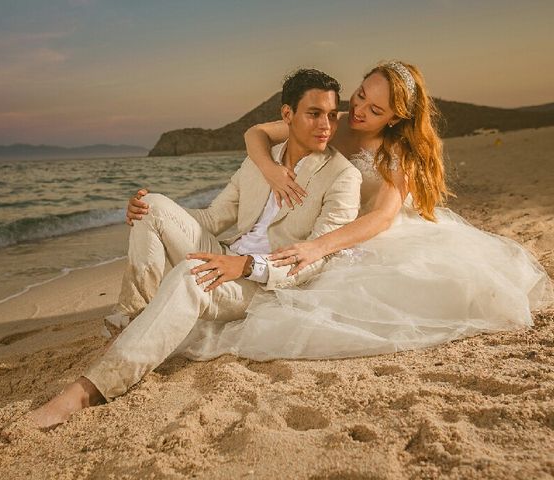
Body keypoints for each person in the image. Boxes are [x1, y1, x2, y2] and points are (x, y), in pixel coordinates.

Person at [28, 69, 363, 428]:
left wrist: (248, 265)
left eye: (331, 114)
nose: (326, 124)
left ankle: (91, 389)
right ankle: (131, 322)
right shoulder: (260, 162)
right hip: (227, 252)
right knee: (152, 206)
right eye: (314, 113)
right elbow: (212, 217)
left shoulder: (343, 176)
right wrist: (156, 213)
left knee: (193, 274)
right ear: (287, 115)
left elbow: (316, 256)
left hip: (263, 283)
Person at [170, 61, 553, 362]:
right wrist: (271, 172)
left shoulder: (397, 152)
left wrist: (319, 246)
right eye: (360, 95)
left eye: (375, 109)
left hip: (370, 234)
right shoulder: (330, 122)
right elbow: (255, 134)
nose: (359, 110)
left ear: (394, 118)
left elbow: (382, 217)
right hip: (327, 219)